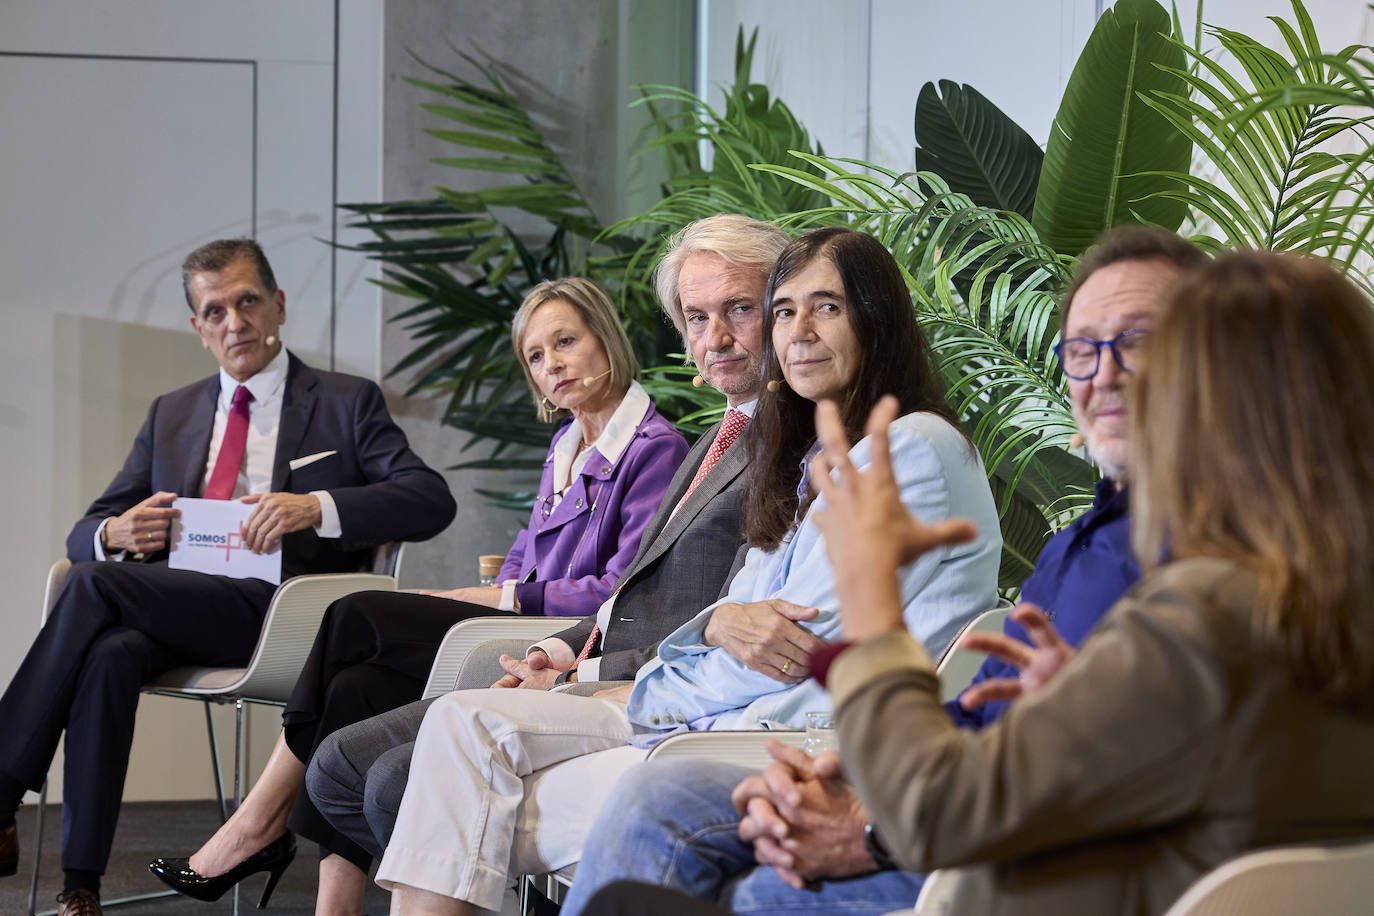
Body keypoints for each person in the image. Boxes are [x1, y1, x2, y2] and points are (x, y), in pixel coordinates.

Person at [560, 225, 1208, 915]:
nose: (1103, 374)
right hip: (926, 791)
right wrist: (860, 787)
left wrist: (873, 827)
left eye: (1137, 341)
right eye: (1081, 351)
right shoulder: (1079, 541)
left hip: (995, 850)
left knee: (671, 833)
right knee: (646, 822)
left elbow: (801, 649)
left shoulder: (1211, 557)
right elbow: (986, 715)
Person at [367, 226, 1003, 916]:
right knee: (459, 733)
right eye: (785, 310)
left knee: (461, 797)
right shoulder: (810, 459)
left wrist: (640, 688)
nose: (798, 332)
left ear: (877, 320)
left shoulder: (906, 448)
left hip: (789, 740)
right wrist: (711, 631)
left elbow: (790, 649)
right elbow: (732, 619)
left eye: (827, 307)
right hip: (725, 714)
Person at [293, 214, 813, 891]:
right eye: (695, 318)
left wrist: (577, 667)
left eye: (738, 309)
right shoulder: (713, 438)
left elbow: (712, 623)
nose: (714, 338)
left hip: (647, 688)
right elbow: (623, 589)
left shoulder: (770, 448)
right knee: (338, 761)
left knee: (384, 743)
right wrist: (552, 652)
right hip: (579, 653)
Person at [147, 276, 688, 912]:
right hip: (510, 618)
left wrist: (496, 598)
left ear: (606, 338)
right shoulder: (565, 445)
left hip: (553, 639)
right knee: (354, 687)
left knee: (354, 613)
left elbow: (621, 591)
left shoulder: (654, 448)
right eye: (536, 356)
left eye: (565, 342)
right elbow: (523, 554)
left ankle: (258, 822)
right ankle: (334, 903)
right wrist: (490, 590)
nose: (552, 365)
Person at [0, 239, 457, 916]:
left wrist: (316, 506)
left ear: (277, 304)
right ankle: (81, 886)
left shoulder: (344, 400)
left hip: (285, 614)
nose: (234, 323)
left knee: (91, 587)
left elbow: (429, 499)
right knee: (109, 650)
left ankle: (1, 794)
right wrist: (115, 532)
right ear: (198, 327)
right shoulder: (173, 412)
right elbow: (87, 530)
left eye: (247, 302)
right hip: (182, 606)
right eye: (215, 311)